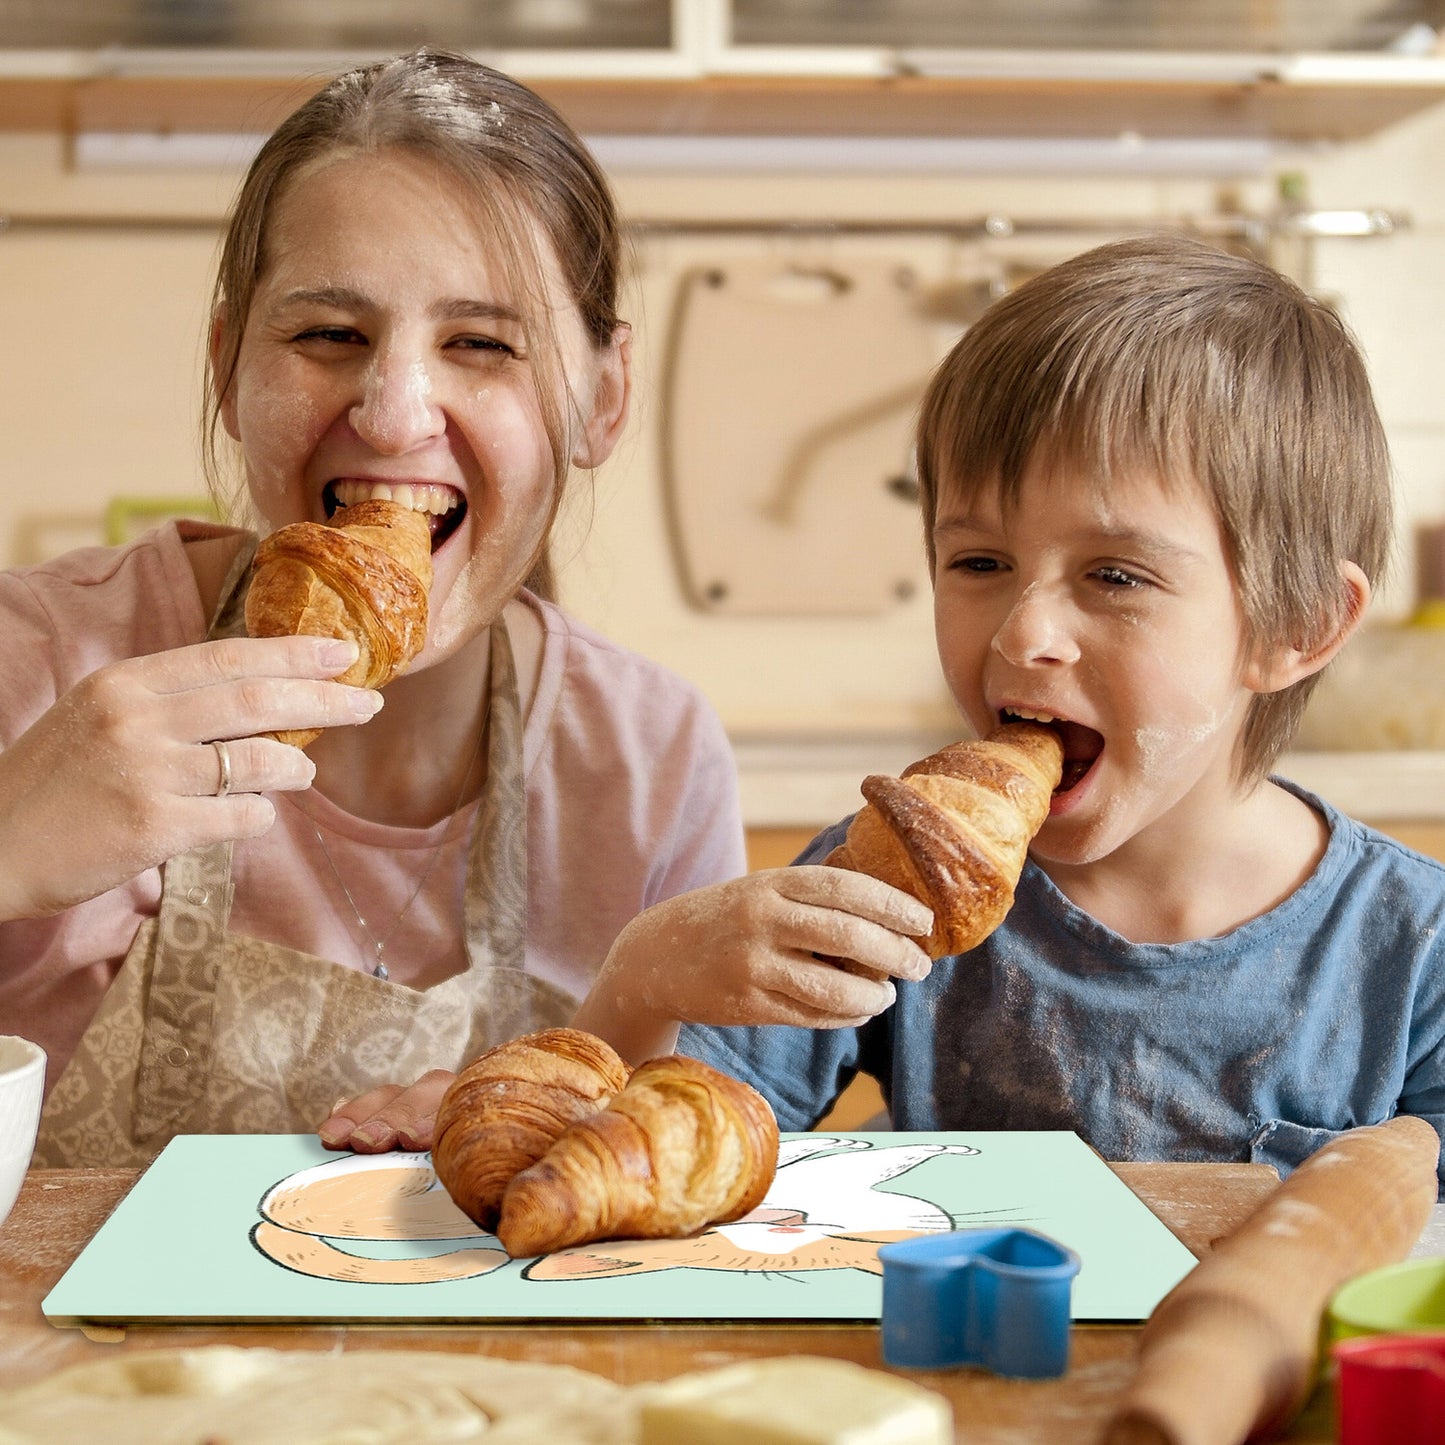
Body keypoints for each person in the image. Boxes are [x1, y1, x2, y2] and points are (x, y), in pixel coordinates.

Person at [3, 48, 749, 1169]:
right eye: (327, 335)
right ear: (226, 367)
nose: (396, 413)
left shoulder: (647, 759)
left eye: (482, 344)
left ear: (601, 398)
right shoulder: (42, 662)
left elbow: (695, 1177)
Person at [585, 233, 1445, 1189]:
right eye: (979, 563)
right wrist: (642, 976)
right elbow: (653, 1159)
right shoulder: (890, 881)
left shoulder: (1414, 951)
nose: (1022, 631)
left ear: (1297, 624)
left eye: (1114, 574)